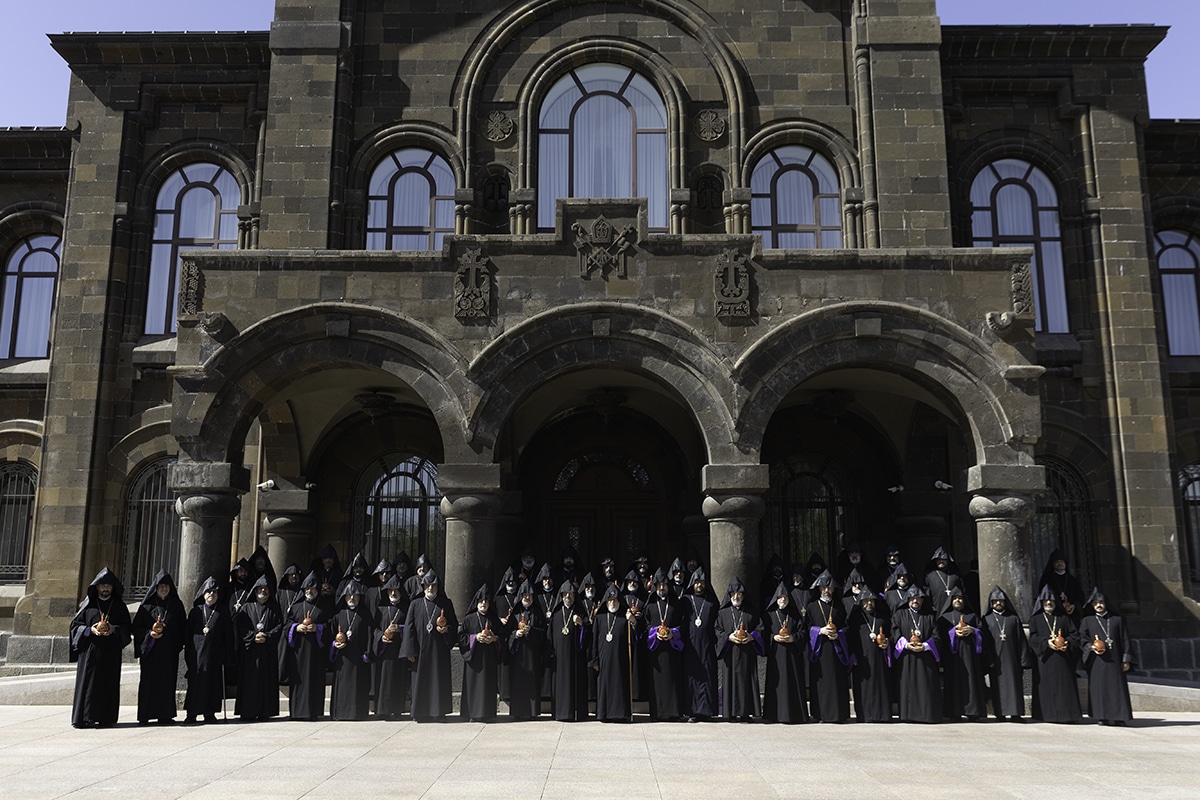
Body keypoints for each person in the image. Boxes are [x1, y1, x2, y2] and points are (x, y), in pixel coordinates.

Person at [70, 567, 132, 728]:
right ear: (97, 587)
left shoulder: (119, 606)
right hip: (90, 652)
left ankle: (106, 717)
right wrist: (90, 629)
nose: (105, 588)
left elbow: (127, 628)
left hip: (110, 653)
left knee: (108, 685)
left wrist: (114, 629)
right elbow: (75, 626)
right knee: (88, 685)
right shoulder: (88, 605)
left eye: (108, 586)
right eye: (102, 585)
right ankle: (84, 717)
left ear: (112, 588)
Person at [400, 569, 457, 721]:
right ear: (423, 586)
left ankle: (438, 712)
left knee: (438, 680)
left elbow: (454, 625)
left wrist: (447, 629)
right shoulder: (415, 604)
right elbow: (409, 628)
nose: (430, 588)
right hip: (420, 650)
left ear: (438, 587)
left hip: (439, 651)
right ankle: (420, 712)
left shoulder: (446, 603)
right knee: (420, 681)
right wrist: (410, 650)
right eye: (427, 586)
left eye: (433, 585)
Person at [132, 569, 186, 725]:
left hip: (168, 652)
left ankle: (165, 715)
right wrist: (149, 633)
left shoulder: (176, 604)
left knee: (167, 682)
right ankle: (145, 715)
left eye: (167, 586)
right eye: (161, 586)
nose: (164, 588)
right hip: (151, 652)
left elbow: (183, 627)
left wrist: (177, 642)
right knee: (148, 683)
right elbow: (136, 627)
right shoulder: (146, 605)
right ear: (155, 587)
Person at [1078, 587, 1134, 726]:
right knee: (1099, 688)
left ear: (1106, 603)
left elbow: (1125, 640)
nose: (1099, 605)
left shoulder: (1117, 620)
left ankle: (1119, 717)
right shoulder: (1087, 620)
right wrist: (1091, 647)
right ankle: (1101, 716)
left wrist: (1126, 659)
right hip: (1097, 660)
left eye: (1101, 602)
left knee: (1117, 688)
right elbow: (1082, 639)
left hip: (1115, 660)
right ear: (1092, 605)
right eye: (1096, 603)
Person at [1027, 585, 1082, 723]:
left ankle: (1067, 715)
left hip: (1063, 659)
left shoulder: (1064, 618)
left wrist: (1067, 643)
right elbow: (1033, 637)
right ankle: (1046, 715)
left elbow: (1075, 636)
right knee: (1046, 687)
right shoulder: (1036, 619)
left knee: (1064, 687)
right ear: (1041, 602)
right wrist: (1046, 643)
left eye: (1051, 600)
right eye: (1045, 601)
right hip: (1045, 660)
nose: (1048, 603)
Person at [285, 570, 333, 720]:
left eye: (313, 589)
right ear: (304, 590)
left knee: (314, 680)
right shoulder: (296, 606)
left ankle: (313, 712)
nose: (310, 592)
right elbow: (286, 625)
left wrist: (318, 628)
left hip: (316, 653)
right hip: (299, 653)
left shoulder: (325, 606)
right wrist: (296, 628)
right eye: (307, 589)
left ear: (317, 590)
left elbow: (331, 625)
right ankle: (297, 712)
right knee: (298, 681)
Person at [184, 576, 233, 724]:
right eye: (209, 592)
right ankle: (191, 714)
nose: (211, 595)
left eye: (215, 593)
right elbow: (188, 634)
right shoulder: (196, 612)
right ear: (203, 594)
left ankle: (209, 713)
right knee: (195, 685)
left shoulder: (223, 612)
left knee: (212, 685)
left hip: (214, 656)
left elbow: (228, 636)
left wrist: (226, 655)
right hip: (196, 655)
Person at [234, 574, 282, 721]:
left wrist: (267, 636)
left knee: (265, 682)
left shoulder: (274, 608)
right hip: (250, 653)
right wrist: (253, 636)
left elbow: (279, 626)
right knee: (250, 682)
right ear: (255, 591)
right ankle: (248, 711)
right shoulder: (246, 608)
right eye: (260, 589)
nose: (263, 591)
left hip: (267, 652)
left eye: (266, 589)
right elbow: (240, 626)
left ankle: (264, 712)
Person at [714, 577, 764, 721]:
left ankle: (745, 713)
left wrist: (752, 636)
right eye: (733, 594)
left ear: (743, 596)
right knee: (730, 682)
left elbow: (760, 628)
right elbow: (717, 630)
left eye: (739, 594)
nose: (736, 597)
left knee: (746, 681)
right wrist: (728, 637)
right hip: (730, 653)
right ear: (729, 596)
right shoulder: (722, 613)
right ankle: (730, 713)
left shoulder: (751, 612)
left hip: (747, 654)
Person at [890, 586, 941, 723]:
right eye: (912, 598)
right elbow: (895, 633)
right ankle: (908, 715)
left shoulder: (930, 616)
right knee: (908, 685)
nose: (915, 601)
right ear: (907, 599)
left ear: (923, 600)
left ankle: (927, 715)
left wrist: (924, 646)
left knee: (926, 686)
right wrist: (907, 645)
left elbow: (937, 636)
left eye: (918, 598)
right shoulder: (899, 615)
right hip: (907, 657)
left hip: (925, 657)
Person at [806, 569, 851, 722]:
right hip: (819, 651)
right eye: (824, 587)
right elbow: (806, 628)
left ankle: (839, 714)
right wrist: (820, 631)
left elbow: (846, 627)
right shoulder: (812, 606)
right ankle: (821, 714)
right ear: (819, 588)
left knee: (837, 682)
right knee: (821, 683)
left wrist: (838, 634)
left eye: (829, 587)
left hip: (836, 650)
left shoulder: (839, 606)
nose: (827, 590)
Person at [981, 585, 1030, 721]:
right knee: (998, 687)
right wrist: (988, 659)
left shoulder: (1013, 619)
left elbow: (1021, 641)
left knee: (1015, 686)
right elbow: (984, 642)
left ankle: (1016, 713)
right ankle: (1000, 713)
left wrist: (1023, 660)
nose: (998, 603)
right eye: (995, 601)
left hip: (1012, 659)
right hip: (995, 660)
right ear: (991, 603)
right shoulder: (986, 620)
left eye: (1001, 601)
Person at [762, 582, 807, 724]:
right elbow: (762, 633)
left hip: (792, 656)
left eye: (785, 598)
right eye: (780, 597)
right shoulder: (769, 615)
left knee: (792, 683)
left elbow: (803, 632)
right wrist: (773, 638)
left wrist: (794, 638)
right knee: (777, 683)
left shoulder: (795, 615)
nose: (783, 600)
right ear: (776, 599)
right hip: (776, 656)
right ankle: (774, 715)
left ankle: (795, 715)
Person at [939, 587, 985, 721]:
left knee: (971, 681)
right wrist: (953, 632)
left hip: (970, 657)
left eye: (960, 598)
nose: (957, 601)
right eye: (955, 598)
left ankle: (973, 712)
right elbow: (939, 635)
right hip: (953, 657)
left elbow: (983, 633)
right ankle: (954, 712)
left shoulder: (972, 616)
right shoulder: (944, 618)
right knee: (953, 682)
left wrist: (973, 630)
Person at [645, 570, 685, 721]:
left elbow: (683, 624)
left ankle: (673, 712)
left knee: (672, 680)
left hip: (671, 649)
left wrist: (673, 633)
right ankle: (657, 713)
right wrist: (654, 632)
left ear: (668, 586)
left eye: (664, 585)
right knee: (657, 682)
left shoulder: (676, 604)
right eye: (659, 585)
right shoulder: (650, 605)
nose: (662, 588)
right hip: (656, 650)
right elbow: (646, 624)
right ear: (655, 587)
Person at [329, 580, 372, 720]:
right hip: (342, 659)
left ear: (360, 597)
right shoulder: (338, 615)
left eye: (355, 595)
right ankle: (340, 713)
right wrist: (334, 644)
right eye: (349, 595)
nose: (352, 598)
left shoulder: (365, 615)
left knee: (357, 687)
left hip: (358, 658)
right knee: (343, 686)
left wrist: (367, 653)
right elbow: (329, 635)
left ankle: (357, 714)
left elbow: (370, 636)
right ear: (344, 597)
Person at [459, 584, 502, 722]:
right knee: (473, 686)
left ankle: (487, 714)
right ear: (477, 602)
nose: (484, 603)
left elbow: (503, 636)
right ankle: (472, 714)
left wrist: (494, 638)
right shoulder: (469, 619)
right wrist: (475, 638)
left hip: (489, 659)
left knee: (488, 687)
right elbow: (460, 637)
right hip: (474, 660)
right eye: (481, 601)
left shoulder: (494, 619)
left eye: (486, 601)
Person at [680, 567, 719, 722]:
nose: (699, 585)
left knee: (707, 678)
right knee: (692, 679)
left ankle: (707, 711)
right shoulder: (686, 600)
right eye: (696, 582)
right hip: (690, 647)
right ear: (692, 583)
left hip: (708, 646)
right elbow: (681, 621)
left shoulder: (712, 601)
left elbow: (718, 623)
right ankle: (693, 712)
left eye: (702, 582)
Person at [548, 581, 590, 721]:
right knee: (560, 685)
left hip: (575, 658)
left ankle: (575, 713)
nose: (568, 597)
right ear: (561, 596)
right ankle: (560, 713)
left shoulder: (580, 612)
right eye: (565, 594)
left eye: (570, 594)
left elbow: (589, 633)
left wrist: (581, 624)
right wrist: (551, 652)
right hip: (559, 658)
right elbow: (549, 635)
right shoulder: (556, 613)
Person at [848, 585, 891, 723]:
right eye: (865, 601)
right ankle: (865, 715)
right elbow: (850, 639)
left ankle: (882, 715)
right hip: (862, 659)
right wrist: (852, 655)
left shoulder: (883, 618)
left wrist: (887, 643)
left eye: (871, 601)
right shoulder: (855, 619)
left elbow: (891, 635)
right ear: (860, 602)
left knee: (881, 685)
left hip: (879, 658)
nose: (869, 603)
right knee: (863, 687)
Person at [592, 585, 634, 722]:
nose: (612, 603)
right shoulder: (600, 617)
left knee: (619, 685)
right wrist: (595, 660)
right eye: (610, 600)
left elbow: (634, 638)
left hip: (620, 660)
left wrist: (633, 621)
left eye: (615, 600)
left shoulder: (624, 617)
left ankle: (621, 714)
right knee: (604, 686)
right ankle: (604, 714)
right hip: (603, 660)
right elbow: (594, 640)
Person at [506, 579, 545, 720]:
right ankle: (517, 711)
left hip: (532, 654)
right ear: (520, 597)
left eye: (530, 595)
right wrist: (515, 634)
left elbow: (543, 633)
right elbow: (507, 633)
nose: (527, 598)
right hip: (518, 656)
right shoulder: (515, 614)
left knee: (532, 682)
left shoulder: (538, 614)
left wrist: (531, 631)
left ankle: (532, 712)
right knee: (518, 682)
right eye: (524, 595)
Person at [373, 574, 410, 719]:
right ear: (387, 592)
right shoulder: (381, 609)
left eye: (396, 590)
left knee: (398, 679)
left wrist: (400, 629)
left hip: (399, 650)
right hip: (384, 651)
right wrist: (381, 636)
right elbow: (374, 628)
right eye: (390, 591)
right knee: (382, 680)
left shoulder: (406, 608)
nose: (393, 593)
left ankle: (396, 709)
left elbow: (411, 627)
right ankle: (381, 710)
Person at [1038, 549, 1085, 622]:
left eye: (1061, 561)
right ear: (1053, 563)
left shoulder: (1072, 580)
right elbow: (1044, 596)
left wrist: (1073, 605)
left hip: (1071, 614)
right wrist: (1059, 605)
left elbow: (1080, 596)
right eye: (1057, 561)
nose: (1059, 563)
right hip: (1054, 613)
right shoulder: (1047, 579)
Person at [923, 547, 962, 612]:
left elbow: (962, 591)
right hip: (937, 608)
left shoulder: (955, 575)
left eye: (944, 559)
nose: (941, 561)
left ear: (948, 560)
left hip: (953, 610)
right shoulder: (929, 575)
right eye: (939, 559)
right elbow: (926, 594)